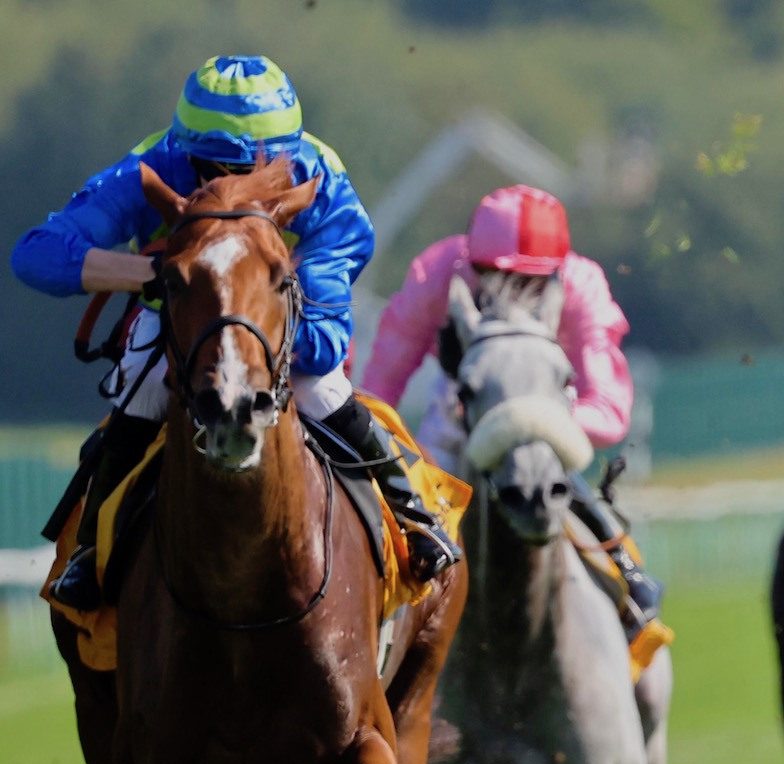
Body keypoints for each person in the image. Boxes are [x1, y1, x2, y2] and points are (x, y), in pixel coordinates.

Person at [11, 55, 458, 612]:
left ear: (284, 156)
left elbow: (320, 339)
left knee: (321, 386)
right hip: (185, 307)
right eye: (217, 170)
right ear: (188, 154)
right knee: (142, 388)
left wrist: (247, 337)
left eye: (256, 170)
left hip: (279, 316)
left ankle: (413, 515)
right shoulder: (151, 166)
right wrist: (153, 275)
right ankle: (88, 552)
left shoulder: (320, 183)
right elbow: (35, 255)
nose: (236, 187)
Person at [360, 184, 660, 623]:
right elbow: (376, 393)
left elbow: (611, 413)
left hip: (549, 421)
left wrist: (528, 419)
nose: (515, 291)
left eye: (535, 282)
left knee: (553, 476)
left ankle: (629, 583)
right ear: (473, 262)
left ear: (557, 273)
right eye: (499, 275)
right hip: (456, 413)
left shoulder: (581, 286)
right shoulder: (436, 274)